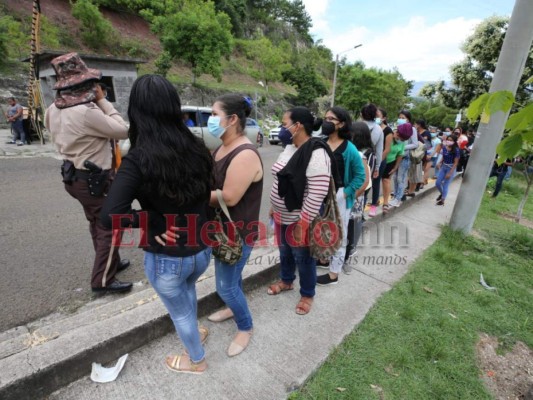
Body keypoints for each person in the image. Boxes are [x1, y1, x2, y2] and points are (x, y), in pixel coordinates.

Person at [101, 74, 214, 374]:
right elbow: (206, 194)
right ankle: (196, 333)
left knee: (180, 312)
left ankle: (196, 360)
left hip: (169, 259)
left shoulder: (138, 160)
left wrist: (149, 219)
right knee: (188, 292)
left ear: (136, 112)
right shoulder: (197, 147)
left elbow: (109, 215)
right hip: (201, 249)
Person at [44, 53, 132, 293]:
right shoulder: (86, 111)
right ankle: (103, 280)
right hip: (95, 178)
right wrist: (104, 102)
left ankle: (110, 263)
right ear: (83, 85)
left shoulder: (52, 109)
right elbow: (122, 131)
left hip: (74, 176)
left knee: (96, 222)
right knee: (110, 225)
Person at [205, 94, 263, 357]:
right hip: (222, 230)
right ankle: (233, 307)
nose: (211, 119)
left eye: (215, 114)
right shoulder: (221, 147)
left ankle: (245, 326)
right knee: (232, 279)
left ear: (233, 119)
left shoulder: (245, 153)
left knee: (225, 286)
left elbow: (228, 197)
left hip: (238, 233)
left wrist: (189, 196)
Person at [268, 106, 336, 315]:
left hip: (299, 219)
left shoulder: (316, 153)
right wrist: (273, 205)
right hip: (281, 215)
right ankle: (287, 281)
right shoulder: (290, 147)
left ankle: (307, 293)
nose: (282, 128)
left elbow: (316, 193)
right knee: (285, 251)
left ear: (297, 126)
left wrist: (302, 225)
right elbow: (282, 181)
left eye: (284, 124)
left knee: (303, 257)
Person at [316, 107, 365, 286]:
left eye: (331, 119)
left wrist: (344, 194)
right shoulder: (321, 142)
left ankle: (333, 274)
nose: (326, 121)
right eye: (325, 118)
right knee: (322, 229)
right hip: (319, 195)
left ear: (341, 124)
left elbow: (360, 176)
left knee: (339, 234)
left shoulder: (349, 149)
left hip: (339, 197)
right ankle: (323, 259)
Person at [343, 121, 372, 272]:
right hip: (350, 197)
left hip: (353, 199)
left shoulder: (360, 155)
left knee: (350, 229)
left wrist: (352, 197)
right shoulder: (353, 151)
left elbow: (365, 180)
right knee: (344, 228)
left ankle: (346, 258)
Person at [368, 107, 392, 217]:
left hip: (380, 160)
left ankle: (373, 206)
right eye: (375, 115)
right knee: (367, 182)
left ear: (384, 118)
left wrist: (377, 162)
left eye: (378, 116)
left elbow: (386, 149)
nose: (376, 117)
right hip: (368, 159)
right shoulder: (370, 127)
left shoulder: (387, 131)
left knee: (376, 183)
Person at [390, 110, 418, 207]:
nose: (401, 119)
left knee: (400, 178)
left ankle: (398, 199)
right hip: (396, 157)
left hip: (405, 157)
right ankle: (395, 196)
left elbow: (415, 144)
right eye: (400, 117)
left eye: (403, 118)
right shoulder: (397, 127)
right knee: (395, 178)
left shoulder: (412, 129)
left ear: (408, 119)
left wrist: (402, 148)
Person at [382, 124, 411, 213]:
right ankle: (374, 202)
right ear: (396, 132)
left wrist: (395, 167)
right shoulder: (387, 135)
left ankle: (385, 202)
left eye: (403, 140)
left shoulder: (401, 142)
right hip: (380, 160)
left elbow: (400, 155)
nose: (400, 140)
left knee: (386, 180)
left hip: (390, 162)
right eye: (399, 137)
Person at [435, 134, 460, 206]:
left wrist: (450, 173)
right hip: (443, 167)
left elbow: (456, 163)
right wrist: (439, 162)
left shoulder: (456, 150)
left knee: (445, 184)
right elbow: (443, 156)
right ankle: (442, 194)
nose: (449, 141)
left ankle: (442, 200)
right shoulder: (445, 147)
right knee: (438, 183)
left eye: (451, 140)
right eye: (448, 139)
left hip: (450, 168)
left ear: (454, 141)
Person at [405, 119, 428, 197]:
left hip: (416, 155)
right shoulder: (415, 131)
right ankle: (410, 190)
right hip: (415, 154)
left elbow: (424, 145)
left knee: (414, 174)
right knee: (412, 174)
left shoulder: (414, 131)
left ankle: (412, 191)